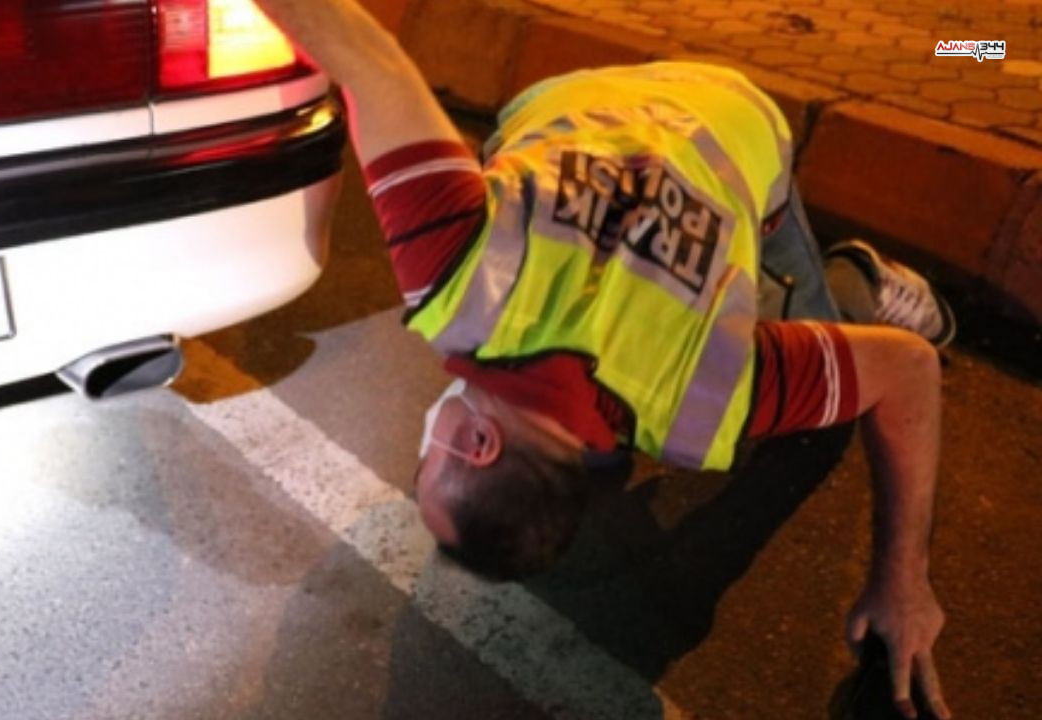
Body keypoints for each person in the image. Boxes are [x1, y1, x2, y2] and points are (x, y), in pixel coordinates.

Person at [249, 1, 954, 718]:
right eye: (425, 468)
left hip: (695, 116)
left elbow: (907, 368)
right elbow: (368, 58)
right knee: (815, 341)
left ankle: (855, 287)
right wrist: (905, 578)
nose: (421, 455)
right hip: (646, 105)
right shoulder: (455, 274)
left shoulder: (699, 406)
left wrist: (900, 581)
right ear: (477, 440)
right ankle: (856, 280)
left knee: (818, 347)